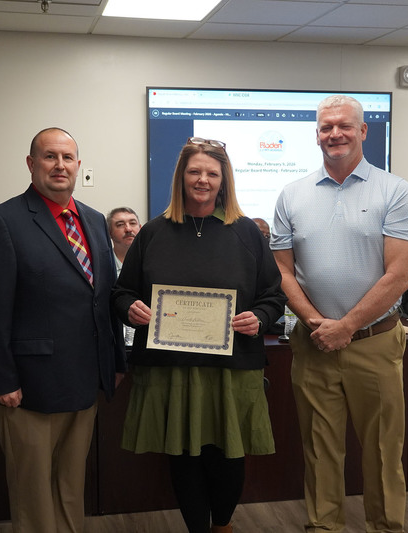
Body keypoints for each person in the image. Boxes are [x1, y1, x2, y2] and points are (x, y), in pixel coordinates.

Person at [112, 136, 286, 533]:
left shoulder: (246, 233)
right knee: (183, 455)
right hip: (171, 367)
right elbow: (122, 292)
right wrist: (130, 308)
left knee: (228, 455)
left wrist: (259, 316)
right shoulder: (153, 232)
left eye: (212, 172)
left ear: (224, 180)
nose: (202, 179)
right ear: (181, 177)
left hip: (233, 367)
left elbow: (273, 296)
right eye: (195, 171)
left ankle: (222, 525)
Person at [270, 95, 408, 533]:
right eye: (325, 127)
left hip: (373, 343)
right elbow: (281, 270)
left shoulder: (394, 191)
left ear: (363, 131)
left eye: (344, 126)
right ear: (316, 134)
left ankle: (386, 527)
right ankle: (324, 526)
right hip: (313, 343)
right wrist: (318, 324)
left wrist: (347, 327)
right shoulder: (292, 194)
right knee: (319, 450)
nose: (334, 134)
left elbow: (399, 276)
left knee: (381, 451)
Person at [0, 127, 126, 533]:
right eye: (50, 157)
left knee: (71, 486)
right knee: (33, 490)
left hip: (85, 380)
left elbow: (104, 298)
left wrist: (115, 362)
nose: (60, 165)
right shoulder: (2, 220)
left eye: (68, 158)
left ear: (78, 165)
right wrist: (0, 377)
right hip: (29, 387)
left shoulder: (92, 220)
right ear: (31, 164)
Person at [107, 206, 141, 276]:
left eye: (132, 223)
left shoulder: (152, 262)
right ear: (109, 232)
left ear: (140, 229)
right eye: (120, 225)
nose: (128, 229)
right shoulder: (101, 265)